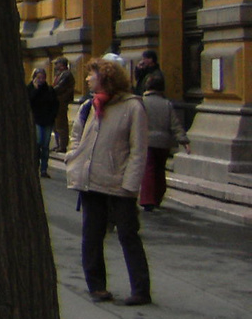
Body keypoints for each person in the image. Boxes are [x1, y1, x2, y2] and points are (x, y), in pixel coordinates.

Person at [66, 56, 150, 305]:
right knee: (92, 235)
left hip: (119, 183)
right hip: (92, 181)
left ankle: (141, 290)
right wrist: (74, 155)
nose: (88, 79)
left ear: (106, 78)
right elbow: (76, 134)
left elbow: (138, 150)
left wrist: (130, 185)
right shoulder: (90, 105)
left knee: (128, 235)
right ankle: (97, 286)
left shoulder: (133, 107)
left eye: (92, 75)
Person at [139, 71, 188, 212]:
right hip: (164, 143)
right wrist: (183, 140)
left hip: (146, 142)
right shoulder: (167, 104)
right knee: (160, 170)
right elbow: (175, 124)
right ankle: (158, 196)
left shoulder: (141, 102)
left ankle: (148, 199)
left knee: (148, 170)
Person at [28, 66, 59, 177]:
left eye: (43, 78)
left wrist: (52, 116)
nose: (41, 80)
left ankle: (44, 169)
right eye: (38, 77)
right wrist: (35, 90)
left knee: (45, 146)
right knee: (38, 143)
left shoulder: (49, 90)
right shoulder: (30, 88)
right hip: (36, 120)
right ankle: (35, 166)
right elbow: (29, 102)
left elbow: (55, 104)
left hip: (47, 120)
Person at [51, 56, 75, 152]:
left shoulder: (66, 74)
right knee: (56, 125)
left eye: (57, 64)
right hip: (56, 102)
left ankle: (62, 145)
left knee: (61, 124)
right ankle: (59, 144)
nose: (55, 66)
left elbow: (60, 87)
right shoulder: (59, 74)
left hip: (61, 102)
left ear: (62, 65)